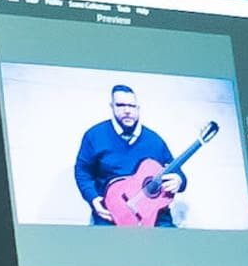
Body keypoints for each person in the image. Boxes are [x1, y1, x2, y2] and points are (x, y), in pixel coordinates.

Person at [72, 84, 180, 226]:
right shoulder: (95, 136)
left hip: (152, 214)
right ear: (112, 106)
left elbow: (175, 170)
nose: (127, 111)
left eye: (132, 106)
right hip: (111, 214)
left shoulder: (155, 141)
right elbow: (82, 171)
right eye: (121, 105)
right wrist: (92, 198)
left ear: (138, 108)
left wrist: (179, 180)